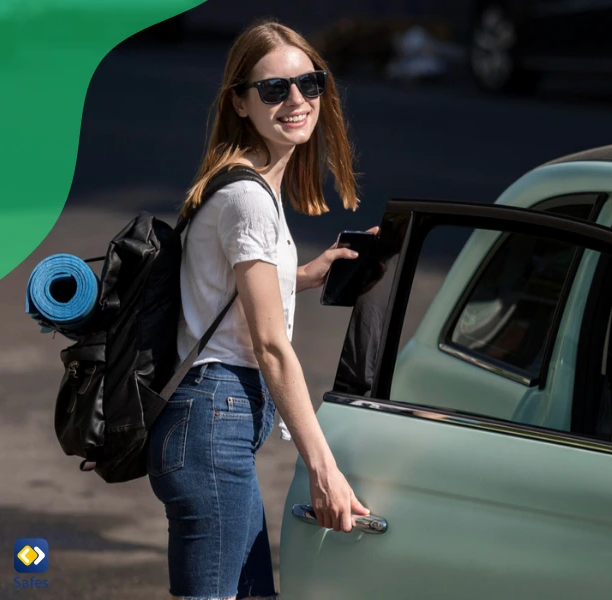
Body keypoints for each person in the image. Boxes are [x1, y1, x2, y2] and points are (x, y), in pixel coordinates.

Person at [147, 19, 371, 600]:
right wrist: (323, 467)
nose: (297, 100)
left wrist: (301, 275)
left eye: (310, 83)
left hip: (210, 422)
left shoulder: (242, 185)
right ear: (241, 104)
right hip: (213, 420)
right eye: (274, 90)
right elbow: (270, 346)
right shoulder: (248, 198)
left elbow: (220, 290)